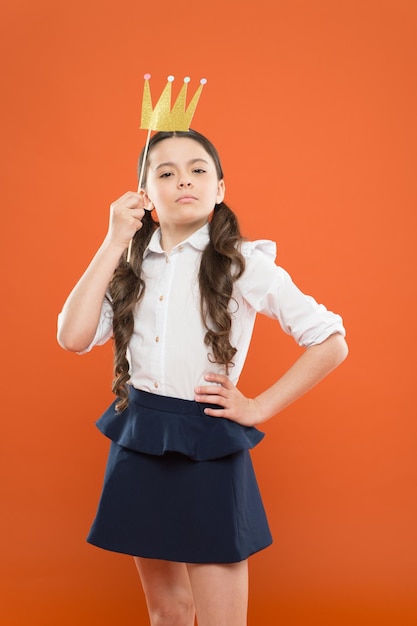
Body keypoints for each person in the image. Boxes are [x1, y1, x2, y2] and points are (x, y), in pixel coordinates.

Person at [57, 128, 348, 626]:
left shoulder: (243, 263)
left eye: (198, 170)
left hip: (208, 438)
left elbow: (330, 340)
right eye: (165, 173)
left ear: (220, 188)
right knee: (167, 609)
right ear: (145, 194)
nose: (183, 181)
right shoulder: (128, 263)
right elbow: (73, 336)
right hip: (140, 435)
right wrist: (112, 241)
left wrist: (259, 408)